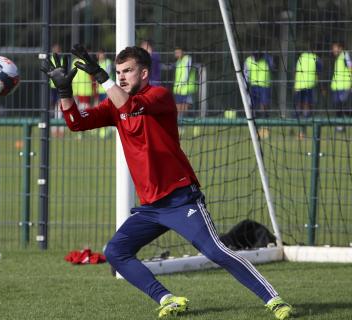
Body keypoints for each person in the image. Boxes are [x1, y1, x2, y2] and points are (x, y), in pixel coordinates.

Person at [41, 44, 293, 319]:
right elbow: (76, 123)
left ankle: (274, 300)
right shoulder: (114, 106)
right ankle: (168, 299)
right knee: (116, 251)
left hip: (180, 198)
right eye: (118, 72)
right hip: (151, 207)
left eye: (128, 71)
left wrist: (102, 76)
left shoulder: (159, 95)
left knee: (215, 251)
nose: (122, 76)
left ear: (145, 73)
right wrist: (64, 92)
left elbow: (129, 104)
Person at [244, 52, 274, 138]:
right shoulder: (248, 60)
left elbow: (273, 67)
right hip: (253, 87)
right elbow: (245, 74)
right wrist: (246, 86)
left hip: (265, 86)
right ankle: (254, 129)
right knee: (252, 107)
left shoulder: (267, 59)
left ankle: (265, 128)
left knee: (264, 106)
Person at [294, 51, 322, 139]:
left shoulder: (300, 57)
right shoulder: (316, 58)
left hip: (299, 86)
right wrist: (322, 86)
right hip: (309, 86)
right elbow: (319, 72)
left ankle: (301, 130)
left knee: (299, 107)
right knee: (306, 107)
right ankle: (303, 131)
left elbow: (296, 72)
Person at [330, 42, 352, 132]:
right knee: (338, 107)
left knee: (342, 106)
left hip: (344, 86)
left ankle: (341, 126)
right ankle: (340, 127)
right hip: (336, 87)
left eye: (334, 48)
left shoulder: (345, 55)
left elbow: (351, 68)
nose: (333, 50)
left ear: (340, 48)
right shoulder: (338, 58)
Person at [173, 47, 198, 119]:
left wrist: (182, 83)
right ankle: (180, 121)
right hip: (179, 89)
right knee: (178, 106)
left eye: (178, 52)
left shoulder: (187, 59)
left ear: (182, 51)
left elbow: (186, 73)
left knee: (187, 105)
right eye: (175, 52)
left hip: (187, 88)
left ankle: (185, 119)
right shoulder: (178, 61)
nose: (176, 54)